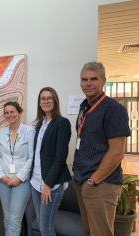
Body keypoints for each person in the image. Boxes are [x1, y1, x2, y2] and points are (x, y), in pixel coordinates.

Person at [73, 62, 131, 236]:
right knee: (90, 231)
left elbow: (116, 153)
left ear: (104, 81)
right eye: (84, 79)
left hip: (101, 184)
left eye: (93, 79)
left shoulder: (114, 109)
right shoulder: (85, 107)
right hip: (84, 181)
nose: (88, 83)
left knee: (101, 233)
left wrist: (93, 181)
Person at [30, 87, 72, 236]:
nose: (46, 101)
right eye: (43, 99)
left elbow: (61, 156)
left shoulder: (62, 123)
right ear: (39, 103)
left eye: (49, 98)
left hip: (50, 185)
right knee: (42, 227)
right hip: (35, 183)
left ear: (55, 101)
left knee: (46, 230)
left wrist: (48, 184)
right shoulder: (39, 125)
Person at [0, 101, 35, 236]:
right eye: (7, 112)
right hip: (3, 181)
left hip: (22, 182)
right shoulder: (2, 132)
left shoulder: (29, 131)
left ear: (19, 113)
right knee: (7, 218)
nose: (9, 115)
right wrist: (1, 175)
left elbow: (31, 158)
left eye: (12, 112)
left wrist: (19, 178)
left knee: (15, 219)